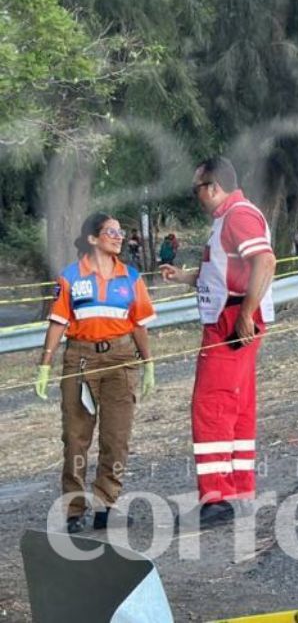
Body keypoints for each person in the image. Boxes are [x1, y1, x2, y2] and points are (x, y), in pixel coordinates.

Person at [159, 157, 277, 529]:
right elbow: (223, 272)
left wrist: (245, 313)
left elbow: (265, 261)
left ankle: (217, 498)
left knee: (211, 406)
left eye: (196, 189)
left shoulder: (238, 215)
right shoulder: (227, 219)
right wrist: (183, 278)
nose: (196, 196)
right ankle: (239, 490)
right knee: (237, 405)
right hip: (231, 315)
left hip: (231, 320)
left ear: (212, 186)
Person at [35, 213, 158, 534]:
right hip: (80, 359)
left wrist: (148, 364)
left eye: (120, 232)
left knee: (116, 438)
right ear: (92, 238)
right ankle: (73, 511)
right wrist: (45, 364)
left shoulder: (130, 277)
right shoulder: (71, 277)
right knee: (76, 438)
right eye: (110, 232)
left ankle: (106, 505)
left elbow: (139, 324)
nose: (118, 237)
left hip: (120, 359)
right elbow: (58, 322)